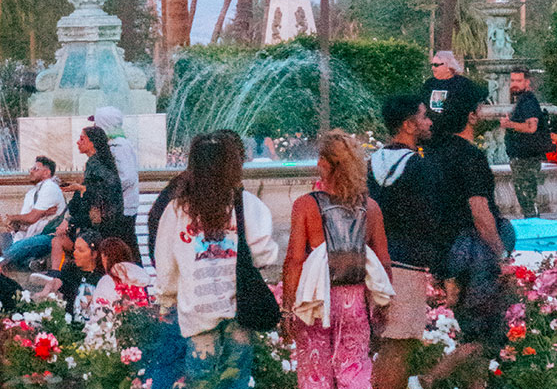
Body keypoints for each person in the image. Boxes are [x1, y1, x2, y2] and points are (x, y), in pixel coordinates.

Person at [154, 132, 278, 388]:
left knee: (200, 381)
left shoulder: (178, 210)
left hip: (197, 312)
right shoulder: (246, 205)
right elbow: (265, 254)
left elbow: (166, 266)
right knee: (235, 379)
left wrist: (166, 300)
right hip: (239, 311)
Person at [283, 129, 393, 389]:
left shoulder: (306, 205)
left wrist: (288, 307)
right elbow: (383, 260)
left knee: (315, 371)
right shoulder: (371, 207)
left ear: (324, 164)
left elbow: (294, 260)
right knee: (354, 369)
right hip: (354, 300)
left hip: (316, 299)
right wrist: (383, 302)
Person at [418, 88, 512, 389]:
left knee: (469, 327)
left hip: (447, 251)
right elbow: (479, 210)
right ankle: (432, 377)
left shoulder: (434, 154)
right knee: (488, 334)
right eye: (481, 107)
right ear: (471, 115)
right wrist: (500, 253)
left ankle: (477, 384)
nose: (484, 111)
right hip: (475, 252)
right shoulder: (470, 156)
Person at [369, 94, 437, 389]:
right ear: (409, 125)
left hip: (374, 260)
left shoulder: (371, 163)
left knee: (383, 344)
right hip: (407, 264)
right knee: (400, 344)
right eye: (423, 116)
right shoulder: (419, 167)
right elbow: (429, 219)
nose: (429, 121)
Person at [51, 125, 125, 270]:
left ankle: (56, 279)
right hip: (97, 224)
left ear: (92, 142)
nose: (78, 142)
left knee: (57, 241)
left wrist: (81, 188)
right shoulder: (96, 163)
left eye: (82, 138)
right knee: (57, 240)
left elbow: (103, 191)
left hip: (101, 228)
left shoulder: (97, 164)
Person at [0, 155, 65, 270]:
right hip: (28, 235)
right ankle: (28, 263)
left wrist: (13, 218)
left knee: (15, 249)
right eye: (31, 168)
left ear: (46, 173)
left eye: (35, 169)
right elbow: (25, 221)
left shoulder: (50, 188)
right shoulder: (31, 193)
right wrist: (15, 223)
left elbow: (31, 218)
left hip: (47, 237)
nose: (31, 171)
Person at [501, 67, 547, 218]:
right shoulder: (523, 101)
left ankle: (536, 233)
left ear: (527, 82)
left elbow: (532, 127)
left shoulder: (527, 101)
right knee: (526, 200)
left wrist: (510, 125)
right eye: (512, 80)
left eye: (518, 81)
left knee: (528, 200)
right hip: (522, 158)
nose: (514, 84)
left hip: (526, 159)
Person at [89, 107, 140, 227]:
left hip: (123, 207)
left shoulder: (120, 146)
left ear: (104, 124)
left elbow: (127, 177)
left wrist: (102, 190)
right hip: (116, 207)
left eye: (96, 123)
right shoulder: (112, 144)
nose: (94, 126)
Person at [421, 52, 471, 136]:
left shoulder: (462, 83)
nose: (433, 68)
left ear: (448, 67)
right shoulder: (429, 84)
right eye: (432, 65)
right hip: (430, 132)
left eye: (436, 65)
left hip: (453, 133)